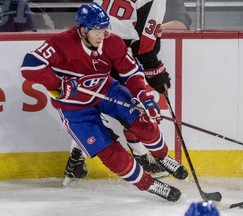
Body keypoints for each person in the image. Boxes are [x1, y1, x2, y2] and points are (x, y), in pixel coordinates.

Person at [21, 2, 188, 202]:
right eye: (97, 31)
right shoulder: (61, 44)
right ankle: (149, 184)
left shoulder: (112, 41)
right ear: (83, 30)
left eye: (104, 29)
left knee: (144, 123)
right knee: (111, 155)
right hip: (74, 106)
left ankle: (163, 157)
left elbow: (131, 72)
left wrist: (143, 96)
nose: (102, 35)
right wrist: (59, 84)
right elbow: (29, 67)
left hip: (106, 90)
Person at [63, 0, 192, 181]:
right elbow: (144, 45)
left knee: (89, 109)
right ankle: (142, 157)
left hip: (84, 46)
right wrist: (155, 70)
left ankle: (75, 161)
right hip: (113, 50)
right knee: (133, 107)